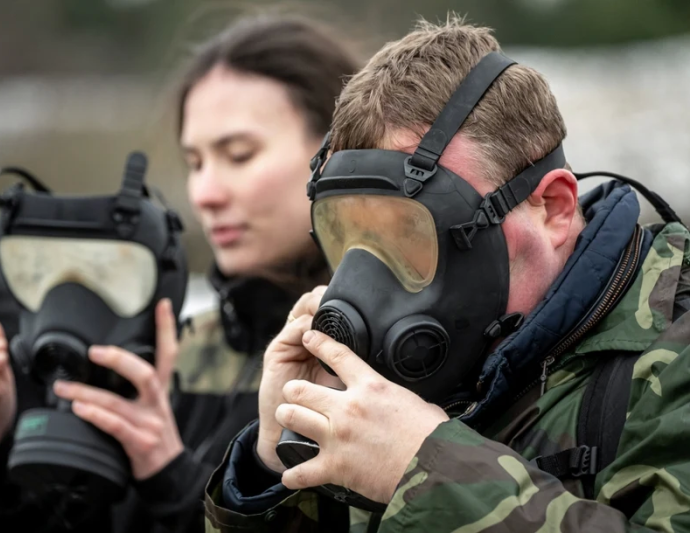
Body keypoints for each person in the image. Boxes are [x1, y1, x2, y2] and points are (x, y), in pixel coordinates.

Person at [203, 17, 690, 533]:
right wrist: (276, 465)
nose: (370, 280)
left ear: (553, 207)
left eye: (412, 233)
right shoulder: (396, 378)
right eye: (351, 236)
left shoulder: (671, 354)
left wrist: (428, 472)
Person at [0, 13, 360, 533]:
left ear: (334, 155)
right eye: (195, 162)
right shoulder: (173, 351)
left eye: (238, 155)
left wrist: (172, 475)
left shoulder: (372, 366)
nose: (205, 192)